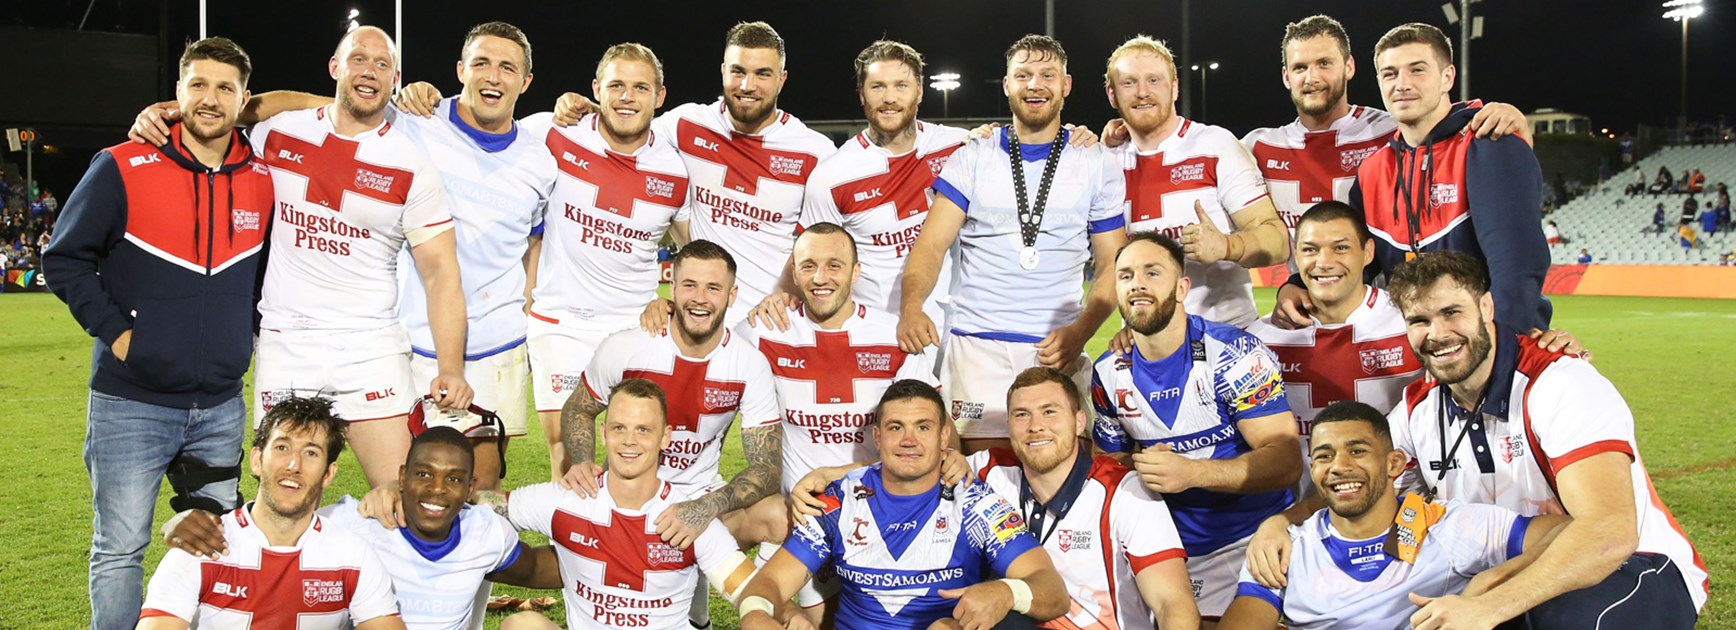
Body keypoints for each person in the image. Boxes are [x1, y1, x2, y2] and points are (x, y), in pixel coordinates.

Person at [134, 23, 554, 489]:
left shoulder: (425, 160)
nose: (369, 71)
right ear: (334, 67)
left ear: (395, 79)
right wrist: (180, 110)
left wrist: (455, 365)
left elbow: (444, 272)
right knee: (285, 487)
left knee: (416, 491)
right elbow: (249, 118)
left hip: (381, 344)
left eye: (382, 65)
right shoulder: (286, 133)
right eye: (358, 59)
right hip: (290, 341)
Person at [1258, 252, 1707, 626]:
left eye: (1452, 313)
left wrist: (1488, 604)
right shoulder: (1419, 408)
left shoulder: (1559, 383)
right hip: (1503, 568)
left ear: (1486, 308)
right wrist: (1283, 521)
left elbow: (1608, 532)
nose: (1437, 334)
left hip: (1636, 564)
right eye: (1419, 320)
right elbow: (1360, 474)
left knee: (1559, 621)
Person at [43, 38, 274, 630]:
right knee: (120, 549)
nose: (210, 98)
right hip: (131, 401)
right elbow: (65, 259)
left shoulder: (262, 180)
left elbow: (260, 279)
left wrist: (238, 337)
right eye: (197, 84)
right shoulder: (121, 163)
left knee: (218, 543)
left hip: (220, 404)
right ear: (177, 94)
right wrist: (121, 336)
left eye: (225, 87)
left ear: (244, 99)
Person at [898, 34, 1128, 452]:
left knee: (1059, 466)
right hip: (975, 345)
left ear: (1066, 85)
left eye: (1047, 75)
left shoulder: (1096, 162)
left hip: (1055, 346)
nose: (1035, 85)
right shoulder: (973, 156)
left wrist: (1080, 332)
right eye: (1023, 75)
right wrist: (912, 306)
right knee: (970, 471)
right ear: (1007, 85)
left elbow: (1113, 263)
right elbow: (930, 247)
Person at [1270, 23, 1551, 334]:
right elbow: (1359, 258)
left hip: (1482, 347)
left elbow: (1517, 266)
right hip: (1414, 348)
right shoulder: (1372, 170)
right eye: (1390, 74)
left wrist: (1500, 353)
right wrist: (1296, 284)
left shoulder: (1488, 144)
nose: (1402, 84)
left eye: (1417, 70)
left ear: (1447, 77)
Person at [558, 240, 783, 627]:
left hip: (698, 499)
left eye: (713, 288)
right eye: (689, 285)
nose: (700, 298)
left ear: (732, 295)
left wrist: (705, 508)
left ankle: (762, 607)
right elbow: (579, 407)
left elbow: (767, 466)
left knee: (777, 514)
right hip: (623, 500)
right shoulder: (626, 347)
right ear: (671, 288)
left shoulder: (748, 364)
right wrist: (580, 460)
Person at [558, 22, 834, 326]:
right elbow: (630, 124)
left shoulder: (815, 152)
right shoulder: (685, 125)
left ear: (782, 79)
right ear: (723, 72)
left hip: (774, 321)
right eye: (738, 71)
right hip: (701, 319)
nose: (747, 85)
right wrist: (589, 107)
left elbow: (827, 244)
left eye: (762, 74)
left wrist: (786, 290)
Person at [1089, 232, 1303, 619]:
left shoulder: (1236, 357)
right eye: (1126, 275)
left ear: (1182, 287)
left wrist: (1193, 473)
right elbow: (1111, 465)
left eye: (1152, 273)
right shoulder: (1108, 373)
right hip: (1165, 551)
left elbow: (1286, 461)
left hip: (1251, 541)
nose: (1137, 283)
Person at [741, 380, 1070, 629]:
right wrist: (757, 615)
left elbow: (1052, 591)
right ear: (878, 437)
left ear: (943, 437)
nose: (909, 440)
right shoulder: (839, 501)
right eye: (896, 427)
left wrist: (1005, 592)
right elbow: (769, 583)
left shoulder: (974, 503)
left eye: (923, 427)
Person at [161, 425, 563, 628]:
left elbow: (542, 569)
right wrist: (180, 521)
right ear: (401, 476)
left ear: (471, 488)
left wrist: (619, 548)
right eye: (424, 474)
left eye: (454, 479)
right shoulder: (354, 524)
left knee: (528, 624)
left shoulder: (484, 532)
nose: (437, 490)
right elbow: (279, 524)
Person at [738, 222, 940, 621]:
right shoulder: (765, 332)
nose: (820, 277)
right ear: (793, 274)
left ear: (856, 272)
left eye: (834, 265)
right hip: (803, 522)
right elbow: (701, 344)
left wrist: (838, 474)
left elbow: (930, 446)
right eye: (808, 266)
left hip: (883, 515)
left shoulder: (894, 337)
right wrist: (664, 308)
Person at [1218, 401, 1567, 630]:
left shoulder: (1451, 527)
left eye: (1357, 451)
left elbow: (1569, 534)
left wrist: (1489, 589)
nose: (1339, 466)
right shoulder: (1285, 548)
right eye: (1324, 456)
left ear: (1394, 464)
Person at [519, 43, 692, 481]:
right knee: (569, 456)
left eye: (640, 87)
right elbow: (479, 135)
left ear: (660, 96)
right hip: (561, 323)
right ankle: (575, 549)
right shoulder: (554, 133)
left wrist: (670, 301)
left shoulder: (675, 171)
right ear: (596, 89)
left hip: (635, 329)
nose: (627, 97)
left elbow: (692, 254)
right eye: (616, 85)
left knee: (644, 454)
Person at [489, 379, 760, 629]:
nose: (629, 440)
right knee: (522, 625)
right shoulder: (571, 499)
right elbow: (491, 505)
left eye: (643, 429)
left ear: (665, 437)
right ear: (604, 432)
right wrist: (456, 497)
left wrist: (759, 613)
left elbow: (748, 587)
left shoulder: (686, 517)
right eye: (620, 428)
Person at [137, 397, 404, 629]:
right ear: (256, 460)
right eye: (281, 447)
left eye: (311, 453)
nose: (293, 465)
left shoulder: (352, 556)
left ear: (329, 473)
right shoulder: (204, 545)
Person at [759, 40, 968, 327]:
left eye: (901, 85)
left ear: (919, 91)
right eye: (877, 86)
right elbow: (812, 255)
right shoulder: (832, 176)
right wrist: (780, 294)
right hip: (879, 335)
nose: (889, 98)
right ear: (862, 95)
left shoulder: (957, 147)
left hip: (952, 329)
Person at [1097, 36, 1290, 329]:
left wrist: (1227, 245)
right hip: (1148, 343)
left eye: (1154, 80)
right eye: (1128, 83)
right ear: (1112, 95)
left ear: (1174, 87)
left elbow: (1277, 240)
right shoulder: (1103, 162)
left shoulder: (1215, 145)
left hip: (1226, 336)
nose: (1142, 92)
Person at [1245, 202, 1423, 497]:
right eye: (1310, 250)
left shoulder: (1410, 320)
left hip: (1400, 506)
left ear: (1367, 253)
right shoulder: (1260, 341)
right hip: (1301, 518)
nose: (1324, 262)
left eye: (1340, 248)